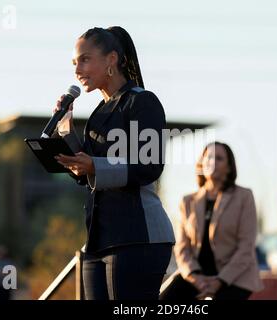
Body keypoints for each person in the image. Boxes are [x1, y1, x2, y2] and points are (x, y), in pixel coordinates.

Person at [52, 26, 175, 300]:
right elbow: (86, 172)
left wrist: (95, 166)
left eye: (85, 59)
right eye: (74, 62)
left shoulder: (143, 102)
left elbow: (149, 166)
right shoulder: (97, 114)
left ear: (111, 59)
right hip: (98, 240)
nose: (77, 70)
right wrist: (65, 128)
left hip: (138, 237)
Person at [160, 142, 263, 300]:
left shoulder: (244, 197)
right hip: (196, 277)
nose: (212, 161)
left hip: (235, 278)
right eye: (208, 157)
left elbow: (246, 247)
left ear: (229, 167)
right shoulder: (187, 201)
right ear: (201, 164)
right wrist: (196, 279)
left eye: (219, 158)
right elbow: (182, 248)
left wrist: (219, 281)